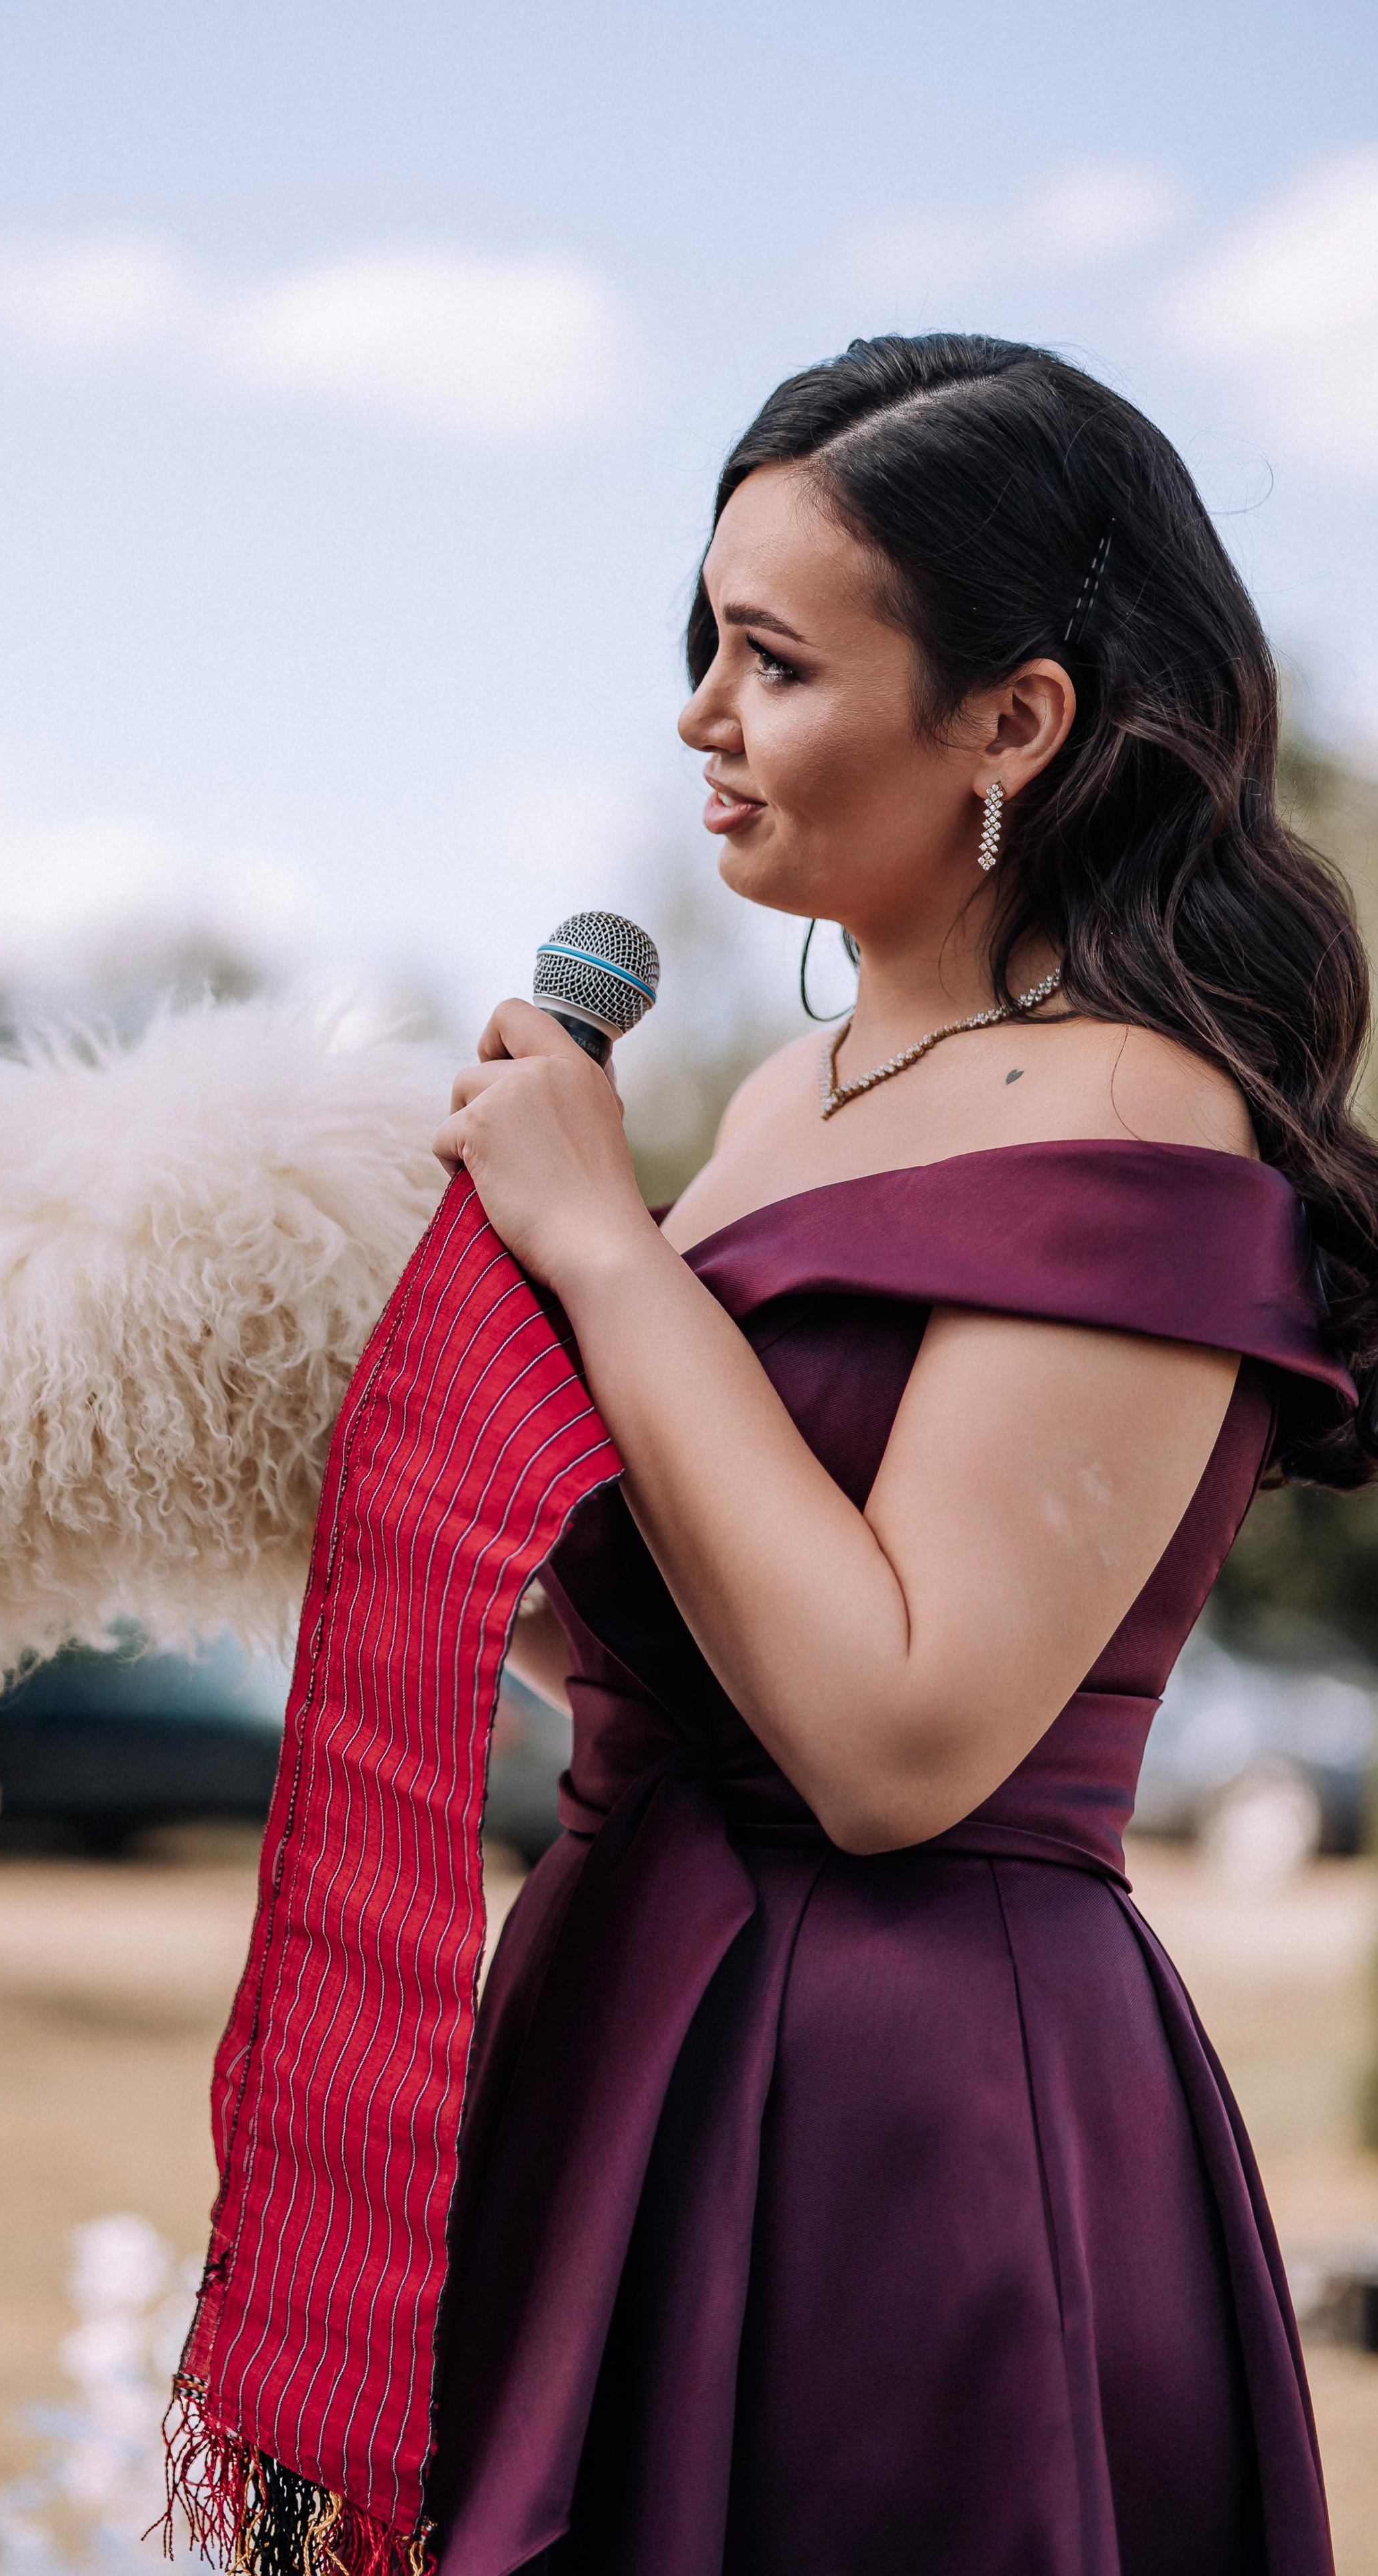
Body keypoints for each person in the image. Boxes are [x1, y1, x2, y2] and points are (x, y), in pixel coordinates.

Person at [422, 334, 1375, 2575]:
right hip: (613, 2018)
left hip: (895, 2112)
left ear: (1013, 721)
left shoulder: (1134, 1112)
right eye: (701, 646)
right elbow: (697, 1635)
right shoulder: (780, 1100)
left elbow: (894, 1739)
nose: (700, 720)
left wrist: (600, 1249)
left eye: (769, 660)